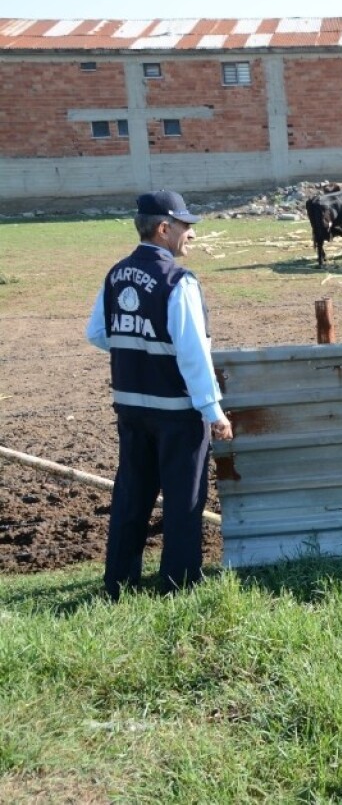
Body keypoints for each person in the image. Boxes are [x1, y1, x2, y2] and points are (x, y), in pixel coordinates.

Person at [86, 190, 234, 600]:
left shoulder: (115, 274)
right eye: (185, 227)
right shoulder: (177, 281)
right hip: (177, 413)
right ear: (164, 228)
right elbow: (192, 353)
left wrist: (139, 351)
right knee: (183, 501)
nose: (190, 235)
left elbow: (97, 334)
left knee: (131, 496)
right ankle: (179, 584)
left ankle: (119, 584)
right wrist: (213, 410)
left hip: (131, 407)